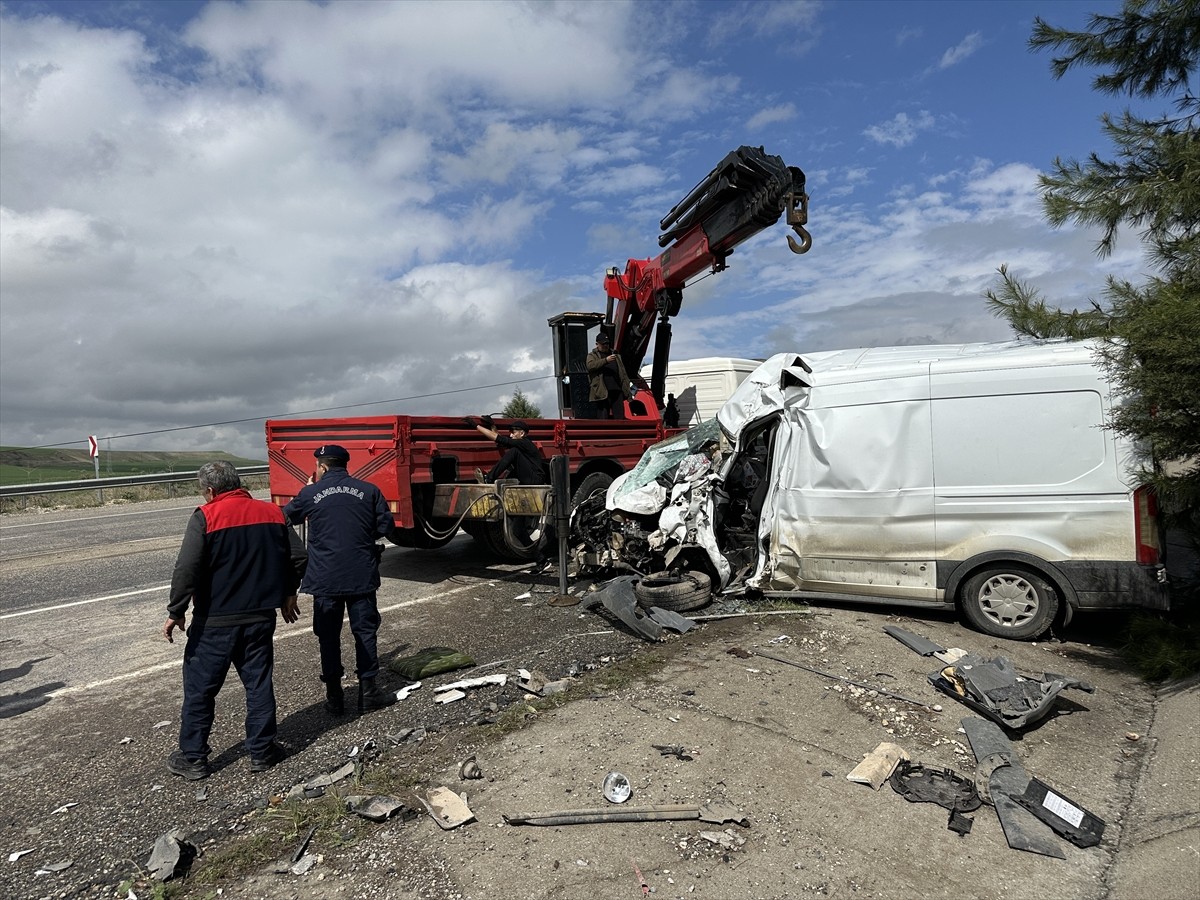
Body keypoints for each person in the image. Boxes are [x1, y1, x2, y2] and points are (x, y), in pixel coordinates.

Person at [163, 461, 307, 781]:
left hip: (214, 622)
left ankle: (194, 758)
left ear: (210, 490)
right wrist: (288, 592)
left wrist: (176, 611)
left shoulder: (206, 516)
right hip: (260, 618)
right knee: (258, 684)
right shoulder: (273, 513)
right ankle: (262, 751)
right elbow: (298, 557)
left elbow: (187, 569)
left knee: (200, 690)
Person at [283, 445, 396, 715]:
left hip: (325, 578)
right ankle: (368, 692)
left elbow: (284, 518)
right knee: (365, 632)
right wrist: (362, 537)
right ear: (345, 464)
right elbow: (386, 526)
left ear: (322, 467)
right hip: (360, 574)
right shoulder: (369, 490)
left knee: (328, 637)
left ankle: (334, 697)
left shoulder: (310, 493)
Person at [469, 418, 546, 484]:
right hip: (532, 477)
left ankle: (488, 478)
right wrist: (492, 426)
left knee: (514, 452)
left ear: (522, 433)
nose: (510, 435)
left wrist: (476, 426)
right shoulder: (521, 444)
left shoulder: (524, 443)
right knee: (514, 454)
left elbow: (499, 438)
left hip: (536, 479)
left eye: (513, 432)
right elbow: (501, 441)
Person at [586, 333, 632, 419]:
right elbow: (590, 366)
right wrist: (606, 360)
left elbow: (623, 373)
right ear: (597, 344)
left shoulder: (616, 355)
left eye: (607, 343)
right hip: (602, 392)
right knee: (603, 418)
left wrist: (626, 387)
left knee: (620, 418)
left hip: (617, 391)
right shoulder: (592, 355)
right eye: (603, 344)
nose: (605, 345)